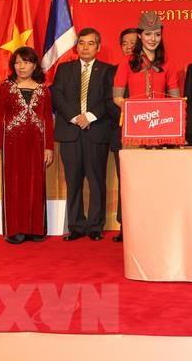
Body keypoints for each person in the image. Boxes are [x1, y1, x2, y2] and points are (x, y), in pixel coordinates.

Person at [52, 28, 117, 242]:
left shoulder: (108, 71)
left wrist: (89, 116)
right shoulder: (64, 69)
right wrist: (74, 117)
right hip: (70, 132)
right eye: (82, 43)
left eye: (90, 43)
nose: (86, 47)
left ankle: (95, 226)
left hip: (95, 131)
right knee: (73, 181)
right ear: (76, 46)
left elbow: (110, 99)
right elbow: (58, 96)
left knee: (96, 181)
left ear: (98, 47)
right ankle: (76, 226)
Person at [0, 46, 54, 244]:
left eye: (25, 62)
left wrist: (49, 147)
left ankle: (35, 228)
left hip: (36, 144)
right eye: (17, 62)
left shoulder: (43, 90)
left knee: (36, 183)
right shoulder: (5, 87)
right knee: (14, 184)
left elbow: (47, 120)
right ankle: (15, 229)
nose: (21, 66)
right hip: (11, 143)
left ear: (34, 65)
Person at [113, 11, 181, 110]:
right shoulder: (127, 61)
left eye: (157, 34)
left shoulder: (167, 62)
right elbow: (117, 97)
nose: (153, 39)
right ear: (139, 35)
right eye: (148, 34)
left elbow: (176, 99)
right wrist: (131, 108)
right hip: (136, 118)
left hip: (161, 119)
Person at [109, 27, 139, 243]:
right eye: (125, 44)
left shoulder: (150, 69)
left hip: (148, 136)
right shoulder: (114, 71)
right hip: (122, 134)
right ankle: (124, 226)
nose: (129, 47)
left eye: (133, 43)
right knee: (125, 182)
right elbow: (107, 104)